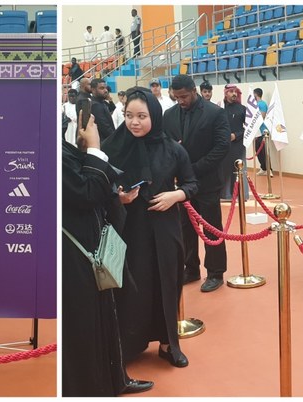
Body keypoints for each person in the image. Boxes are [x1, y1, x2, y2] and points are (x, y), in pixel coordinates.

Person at [103, 87, 198, 368]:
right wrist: (117, 196)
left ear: (154, 116)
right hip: (129, 228)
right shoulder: (112, 147)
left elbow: (192, 184)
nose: (134, 122)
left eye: (142, 116)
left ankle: (169, 344)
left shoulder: (173, 149)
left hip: (165, 227)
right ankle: (130, 345)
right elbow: (99, 185)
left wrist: (175, 195)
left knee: (167, 283)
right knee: (132, 285)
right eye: (129, 115)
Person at [62, 112, 153, 396]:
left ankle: (114, 378)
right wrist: (94, 148)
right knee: (88, 321)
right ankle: (96, 386)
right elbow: (85, 191)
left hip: (92, 244)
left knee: (106, 312)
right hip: (77, 254)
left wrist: (115, 195)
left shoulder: (62, 148)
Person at [163, 74, 230, 293]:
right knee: (185, 230)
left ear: (194, 91)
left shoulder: (215, 113)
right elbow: (164, 143)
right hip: (182, 186)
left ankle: (215, 272)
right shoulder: (169, 115)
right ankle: (190, 268)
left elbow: (221, 147)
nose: (180, 101)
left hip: (207, 181)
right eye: (176, 97)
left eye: (184, 96)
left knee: (211, 228)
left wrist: (193, 169)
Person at [220, 84, 248, 200]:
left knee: (238, 170)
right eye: (231, 91)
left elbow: (248, 128)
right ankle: (225, 195)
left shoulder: (242, 109)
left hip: (238, 145)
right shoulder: (220, 108)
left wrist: (235, 135)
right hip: (223, 145)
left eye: (235, 91)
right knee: (223, 170)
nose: (234, 94)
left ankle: (240, 194)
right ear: (226, 93)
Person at [253, 87, 273, 177]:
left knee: (264, 152)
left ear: (256, 94)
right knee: (258, 151)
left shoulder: (262, 104)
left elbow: (262, 117)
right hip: (257, 132)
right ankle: (263, 168)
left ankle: (269, 170)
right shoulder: (255, 104)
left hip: (263, 132)